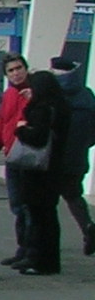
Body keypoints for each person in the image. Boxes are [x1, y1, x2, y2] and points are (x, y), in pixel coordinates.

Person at [11, 68, 70, 275]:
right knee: (49, 217)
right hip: (54, 169)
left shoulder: (42, 109)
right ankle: (48, 261)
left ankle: (40, 261)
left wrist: (20, 129)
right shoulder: (61, 107)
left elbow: (37, 138)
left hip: (38, 171)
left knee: (39, 218)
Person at [50, 54, 95, 255]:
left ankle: (46, 244)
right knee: (73, 194)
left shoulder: (52, 93)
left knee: (45, 202)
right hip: (78, 156)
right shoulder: (87, 94)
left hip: (53, 156)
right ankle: (87, 227)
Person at [0, 55, 33, 267]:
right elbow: (2, 121)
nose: (16, 73)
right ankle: (22, 247)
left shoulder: (35, 93)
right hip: (12, 154)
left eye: (19, 68)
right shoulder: (9, 94)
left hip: (29, 154)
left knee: (28, 205)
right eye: (11, 70)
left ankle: (30, 249)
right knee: (17, 204)